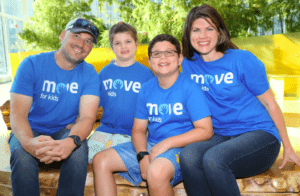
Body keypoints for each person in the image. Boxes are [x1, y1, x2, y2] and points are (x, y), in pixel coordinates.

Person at [179, 4, 300, 196]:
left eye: (209, 28)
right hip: (221, 136)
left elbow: (270, 103)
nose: (203, 35)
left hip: (260, 136)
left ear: (220, 32)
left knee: (214, 159)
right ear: (188, 34)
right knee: (188, 156)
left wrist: (288, 146)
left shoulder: (242, 60)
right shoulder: (188, 64)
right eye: (196, 30)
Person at [92, 34, 213, 196]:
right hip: (152, 145)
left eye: (169, 52)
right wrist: (142, 156)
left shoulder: (190, 88)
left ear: (179, 59)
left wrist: (166, 144)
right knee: (101, 160)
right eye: (156, 54)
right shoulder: (147, 89)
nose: (163, 57)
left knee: (155, 172)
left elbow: (205, 130)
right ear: (150, 61)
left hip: (183, 149)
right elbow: (138, 130)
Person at [9, 18, 101, 196]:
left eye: (88, 41)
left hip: (63, 131)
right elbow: (18, 115)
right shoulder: (31, 64)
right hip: (30, 129)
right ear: (62, 35)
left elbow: (87, 118)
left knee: (79, 148)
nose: (81, 44)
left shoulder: (89, 74)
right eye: (76, 36)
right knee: (22, 154)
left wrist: (70, 142)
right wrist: (28, 143)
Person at [87, 22, 154, 163]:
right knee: (84, 157)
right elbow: (92, 104)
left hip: (131, 133)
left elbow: (153, 107)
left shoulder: (146, 74)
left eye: (128, 41)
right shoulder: (105, 72)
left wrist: (148, 132)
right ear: (112, 47)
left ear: (136, 44)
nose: (123, 46)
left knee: (105, 160)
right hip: (104, 129)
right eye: (118, 43)